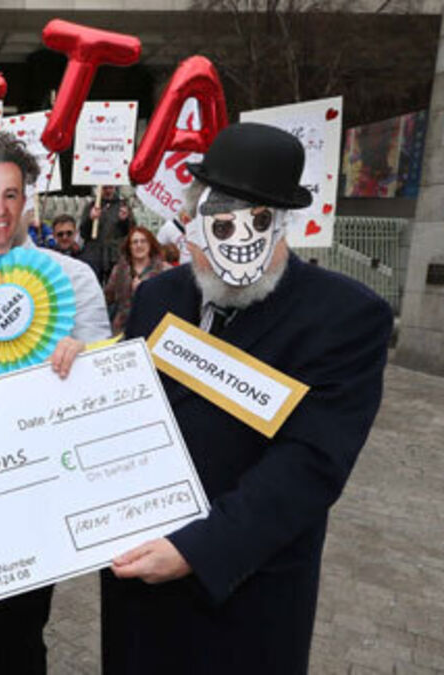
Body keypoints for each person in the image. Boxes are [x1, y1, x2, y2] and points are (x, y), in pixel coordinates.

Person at [101, 123, 393, 674]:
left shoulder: (345, 317)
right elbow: (123, 407)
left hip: (244, 594)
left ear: (281, 226)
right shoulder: (158, 296)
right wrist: (80, 365)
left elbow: (311, 461)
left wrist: (198, 549)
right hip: (138, 590)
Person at [0, 130, 112, 674]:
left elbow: (105, 379)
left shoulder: (74, 277)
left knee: (22, 632)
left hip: (39, 483)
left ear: (28, 201)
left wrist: (86, 357)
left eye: (10, 195)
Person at [103, 226, 166, 335]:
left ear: (150, 244)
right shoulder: (119, 270)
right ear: (129, 247)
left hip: (154, 327)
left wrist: (145, 290)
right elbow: (108, 297)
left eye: (143, 241)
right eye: (134, 242)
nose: (139, 245)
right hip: (123, 328)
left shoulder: (164, 270)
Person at [79, 185, 136, 280]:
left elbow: (131, 232)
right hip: (94, 255)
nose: (108, 191)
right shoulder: (91, 206)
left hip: (115, 255)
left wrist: (124, 221)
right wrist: (90, 219)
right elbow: (83, 233)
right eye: (105, 188)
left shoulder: (123, 206)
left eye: (110, 187)